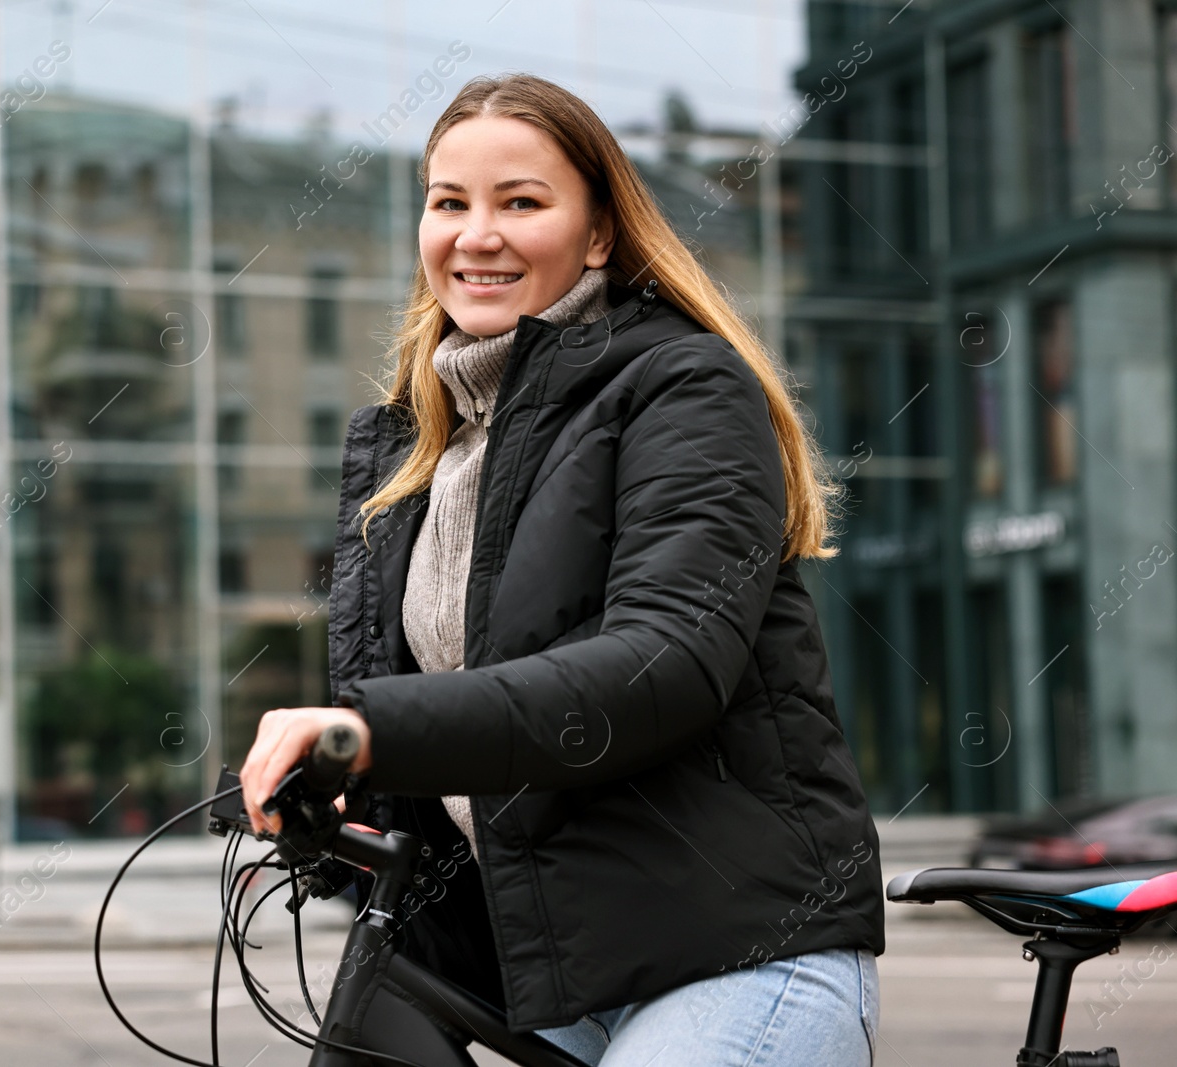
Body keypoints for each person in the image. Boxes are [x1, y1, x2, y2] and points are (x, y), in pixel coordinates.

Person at [239, 72, 884, 1067]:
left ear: (596, 235)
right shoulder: (421, 453)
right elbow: (454, 722)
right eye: (448, 202)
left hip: (731, 952)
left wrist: (373, 729)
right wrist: (336, 797)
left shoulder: (680, 390)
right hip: (538, 972)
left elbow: (660, 664)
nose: (475, 234)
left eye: (520, 202)